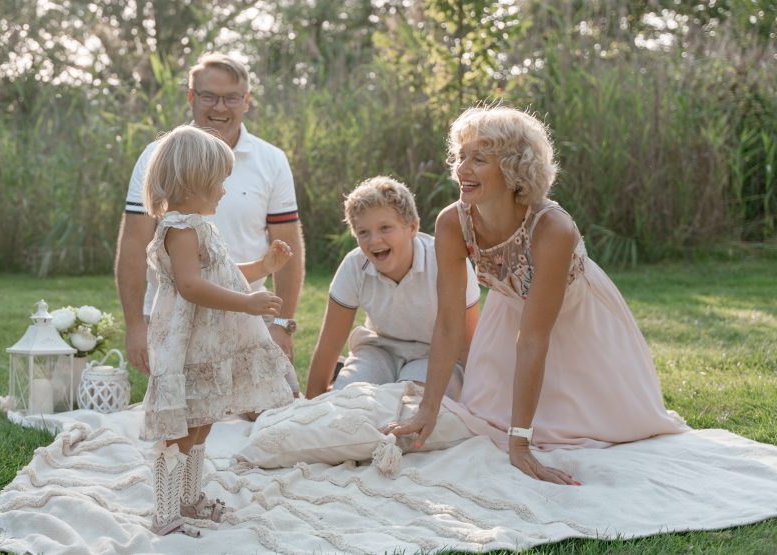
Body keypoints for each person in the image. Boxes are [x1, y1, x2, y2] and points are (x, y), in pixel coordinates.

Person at [387, 106, 687, 485]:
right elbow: (448, 322)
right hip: (508, 315)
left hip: (576, 322)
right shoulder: (452, 222)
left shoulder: (552, 227)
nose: (462, 169)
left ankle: (531, 432)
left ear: (514, 169)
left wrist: (521, 444)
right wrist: (427, 409)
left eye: (478, 159)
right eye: (461, 156)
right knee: (485, 419)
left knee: (601, 429)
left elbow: (533, 338)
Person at [115, 52, 304, 392]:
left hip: (249, 313)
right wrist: (134, 326)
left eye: (231, 97)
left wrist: (280, 323)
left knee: (277, 404)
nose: (220, 107)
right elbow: (133, 243)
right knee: (196, 411)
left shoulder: (271, 160)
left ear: (246, 102)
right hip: (177, 316)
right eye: (208, 96)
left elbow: (289, 246)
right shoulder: (156, 156)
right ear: (191, 96)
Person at [139, 125, 295, 536]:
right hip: (185, 343)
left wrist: (261, 269)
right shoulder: (179, 229)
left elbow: (219, 272)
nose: (225, 191)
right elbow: (191, 285)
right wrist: (247, 303)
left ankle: (189, 497)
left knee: (203, 419)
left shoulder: (197, 225)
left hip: (207, 340)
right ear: (195, 183)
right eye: (220, 183)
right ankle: (166, 511)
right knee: (182, 428)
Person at [304, 176, 481, 399]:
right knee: (347, 401)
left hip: (435, 352)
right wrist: (311, 406)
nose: (374, 240)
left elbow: (467, 343)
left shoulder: (446, 262)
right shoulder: (354, 266)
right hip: (379, 349)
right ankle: (346, 378)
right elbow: (329, 345)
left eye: (385, 228)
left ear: (412, 227)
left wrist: (478, 404)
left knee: (407, 405)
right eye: (363, 232)